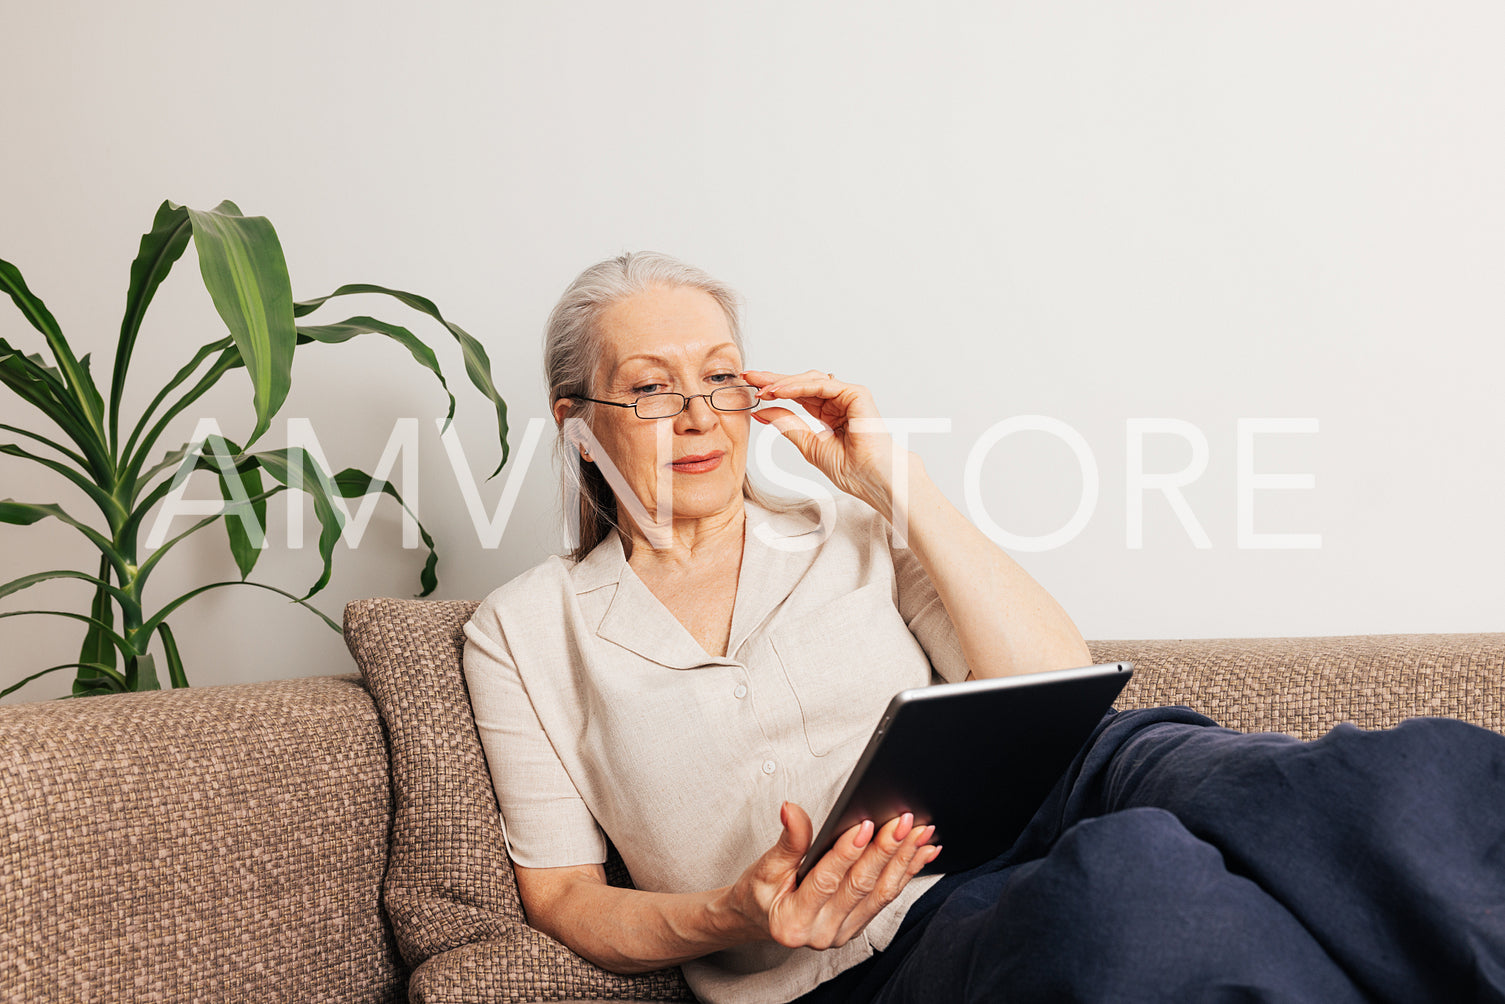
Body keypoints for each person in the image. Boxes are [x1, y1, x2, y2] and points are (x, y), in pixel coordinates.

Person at [462, 252, 1505, 1004]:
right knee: (1133, 887)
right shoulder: (522, 632)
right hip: (884, 936)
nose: (697, 414)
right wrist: (731, 915)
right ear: (575, 422)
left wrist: (891, 479)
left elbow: (1058, 680)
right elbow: (560, 893)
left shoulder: (851, 526)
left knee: (1373, 786)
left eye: (721, 375)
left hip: (1073, 773)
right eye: (649, 387)